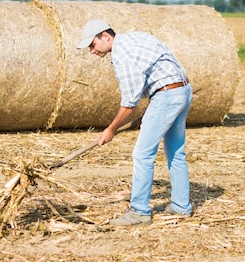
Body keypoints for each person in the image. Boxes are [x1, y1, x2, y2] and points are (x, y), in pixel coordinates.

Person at [77, 19, 193, 226]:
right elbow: (161, 68)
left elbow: (130, 102)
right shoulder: (136, 37)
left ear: (105, 36)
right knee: (176, 151)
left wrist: (110, 130)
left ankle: (139, 212)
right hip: (181, 90)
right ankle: (181, 206)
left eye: (92, 45)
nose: (92, 51)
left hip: (166, 95)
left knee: (142, 154)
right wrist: (154, 105)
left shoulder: (123, 55)